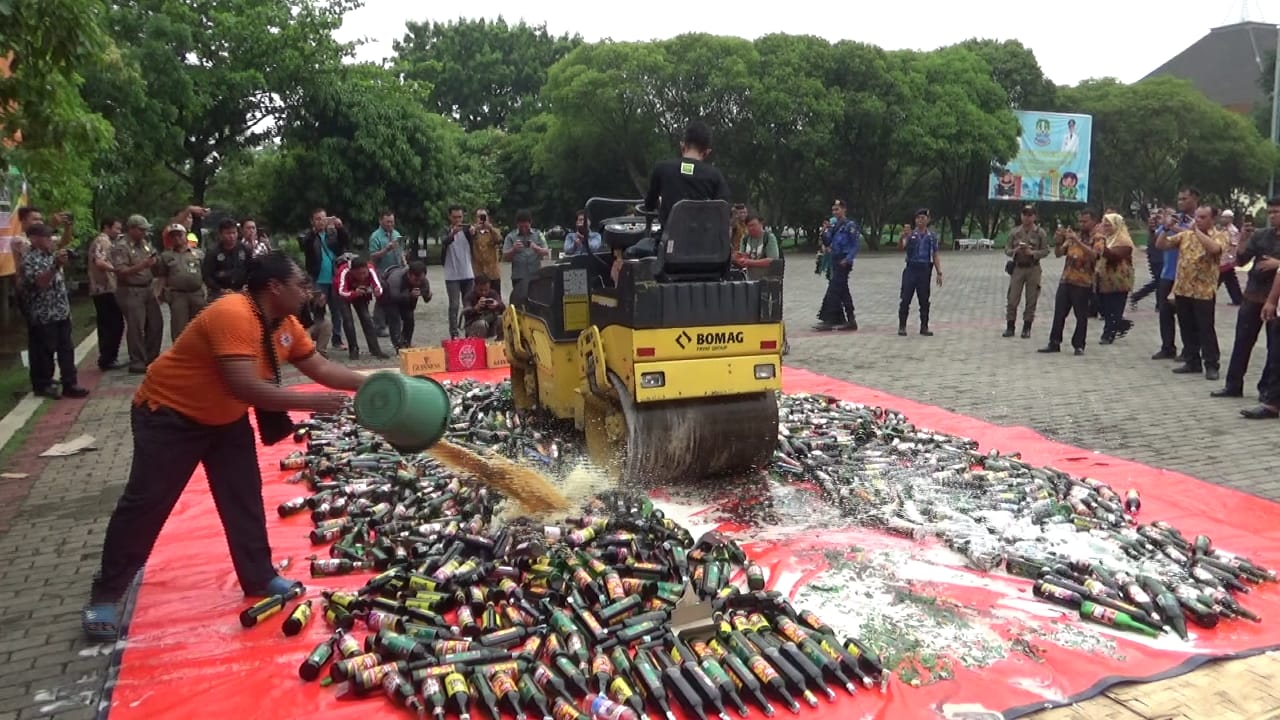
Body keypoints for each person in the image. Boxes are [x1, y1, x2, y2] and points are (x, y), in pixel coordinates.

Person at [81, 252, 366, 642]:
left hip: (225, 420)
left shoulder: (286, 325)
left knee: (243, 498)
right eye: (299, 283)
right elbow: (244, 386)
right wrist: (313, 403)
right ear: (274, 287)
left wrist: (373, 384)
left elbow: (322, 369)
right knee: (146, 504)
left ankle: (259, 576)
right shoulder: (234, 313)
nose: (306, 291)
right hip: (170, 415)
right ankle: (108, 592)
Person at [1215, 198, 1280, 402]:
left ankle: (1267, 390)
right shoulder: (1261, 235)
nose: (1272, 216)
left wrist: (1277, 263)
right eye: (1270, 212)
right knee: (1242, 341)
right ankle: (1233, 385)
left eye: (1276, 211)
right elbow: (1241, 260)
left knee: (1274, 348)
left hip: (1276, 298)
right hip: (1253, 295)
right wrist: (1242, 239)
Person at [1157, 205, 1226, 381]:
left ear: (1213, 219)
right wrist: (1166, 228)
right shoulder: (1185, 235)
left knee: (1205, 328)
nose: (1198, 220)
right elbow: (1162, 245)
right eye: (1197, 217)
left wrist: (1197, 231)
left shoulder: (1219, 236)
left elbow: (1214, 250)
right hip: (1183, 289)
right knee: (1186, 327)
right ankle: (1192, 360)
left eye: (1203, 217)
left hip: (1203, 291)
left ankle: (1211, 364)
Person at [21, 224, 90, 399]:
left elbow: (65, 242)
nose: (50, 241)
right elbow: (40, 283)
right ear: (34, 239)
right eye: (46, 237)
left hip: (61, 311)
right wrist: (54, 266)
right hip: (44, 313)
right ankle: (44, 384)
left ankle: (70, 383)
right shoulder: (30, 259)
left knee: (66, 349)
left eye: (51, 237)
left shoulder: (52, 254)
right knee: (46, 351)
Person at [640, 121, 731, 232]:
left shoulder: (662, 169)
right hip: (703, 245)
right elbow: (723, 211)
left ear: (682, 146)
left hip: (668, 244)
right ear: (707, 152)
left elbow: (649, 205)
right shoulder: (715, 175)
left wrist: (660, 202)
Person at [1039, 210, 1102, 355]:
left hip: (1083, 282)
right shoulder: (1074, 236)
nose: (1081, 224)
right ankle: (1054, 342)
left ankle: (1079, 345)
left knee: (1081, 316)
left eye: (1085, 221)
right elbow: (1059, 253)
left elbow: (1094, 256)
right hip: (1066, 279)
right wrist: (1058, 241)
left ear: (1093, 222)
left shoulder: (1097, 238)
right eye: (1080, 221)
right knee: (1059, 312)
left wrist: (1078, 242)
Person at [112, 215, 164, 374]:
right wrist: (142, 265)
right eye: (141, 230)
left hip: (147, 288)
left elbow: (155, 263)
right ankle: (137, 360)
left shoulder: (145, 245)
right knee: (136, 327)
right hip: (130, 289)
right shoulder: (121, 247)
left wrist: (156, 264)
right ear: (132, 228)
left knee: (156, 323)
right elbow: (120, 272)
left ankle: (151, 356)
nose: (144, 233)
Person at [301, 209, 349, 350]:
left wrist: (340, 227)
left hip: (334, 278)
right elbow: (305, 245)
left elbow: (344, 242)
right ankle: (319, 340)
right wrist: (314, 232)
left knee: (337, 311)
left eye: (323, 218)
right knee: (318, 310)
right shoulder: (308, 236)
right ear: (312, 221)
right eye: (317, 219)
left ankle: (337, 339)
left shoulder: (332, 235)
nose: (321, 221)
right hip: (317, 279)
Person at [1004, 205, 1050, 339]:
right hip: (1018, 267)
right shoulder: (1014, 232)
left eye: (1030, 215)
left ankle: (1027, 327)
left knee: (1031, 298)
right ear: (1021, 216)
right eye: (1024, 214)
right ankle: (1010, 326)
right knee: (1012, 298)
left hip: (1033, 268)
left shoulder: (1040, 232)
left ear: (1034, 217)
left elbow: (1046, 251)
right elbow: (1007, 249)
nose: (1027, 218)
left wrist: (1033, 253)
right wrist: (1015, 251)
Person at [813, 199, 859, 332]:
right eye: (833, 210)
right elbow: (828, 243)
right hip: (834, 259)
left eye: (837, 209)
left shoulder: (850, 225)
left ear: (844, 210)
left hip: (844, 260)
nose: (835, 212)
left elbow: (855, 245)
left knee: (834, 290)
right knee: (843, 291)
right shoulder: (834, 226)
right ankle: (851, 319)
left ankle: (829, 319)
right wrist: (824, 231)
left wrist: (848, 258)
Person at [897, 209, 943, 337]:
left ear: (928, 220)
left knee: (924, 299)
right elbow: (901, 248)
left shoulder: (931, 236)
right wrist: (902, 237)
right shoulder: (911, 235)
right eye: (918, 218)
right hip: (911, 268)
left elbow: (935, 254)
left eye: (922, 218)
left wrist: (939, 272)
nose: (920, 220)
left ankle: (924, 326)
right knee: (905, 298)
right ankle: (902, 326)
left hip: (924, 269)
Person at [157, 223, 208, 340]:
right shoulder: (166, 256)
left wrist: (207, 290)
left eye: (179, 235)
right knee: (179, 327)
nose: (177, 238)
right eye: (173, 236)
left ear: (185, 235)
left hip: (196, 294)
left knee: (199, 325)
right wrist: (160, 293)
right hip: (177, 295)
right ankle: (180, 354)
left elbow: (205, 273)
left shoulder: (198, 253)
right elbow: (162, 276)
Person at [333, 254, 388, 360]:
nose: (362, 276)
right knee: (348, 320)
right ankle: (353, 349)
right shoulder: (344, 271)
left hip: (361, 293)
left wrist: (377, 292)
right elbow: (341, 291)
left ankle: (375, 349)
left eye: (364, 273)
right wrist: (354, 293)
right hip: (343, 294)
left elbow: (378, 286)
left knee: (366, 318)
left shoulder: (371, 269)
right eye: (359, 274)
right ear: (352, 272)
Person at [89, 217, 125, 371]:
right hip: (104, 289)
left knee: (108, 324)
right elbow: (99, 261)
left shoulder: (106, 241)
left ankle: (108, 357)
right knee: (114, 324)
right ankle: (108, 358)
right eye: (116, 228)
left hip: (103, 288)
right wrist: (117, 269)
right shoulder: (102, 241)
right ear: (106, 227)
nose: (119, 232)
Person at [1095, 212, 1135, 344]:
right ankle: (1121, 324)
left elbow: (1114, 256)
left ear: (1116, 225)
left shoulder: (1124, 240)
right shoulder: (1108, 237)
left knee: (1115, 307)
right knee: (1103, 307)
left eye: (1109, 224)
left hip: (1119, 280)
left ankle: (1108, 335)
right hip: (1105, 279)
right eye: (1104, 224)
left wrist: (1101, 242)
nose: (1105, 226)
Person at [367, 209, 405, 337]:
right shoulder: (375, 236)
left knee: (395, 297)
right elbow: (372, 256)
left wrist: (404, 262)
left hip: (396, 271)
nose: (390, 224)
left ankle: (393, 323)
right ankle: (379, 326)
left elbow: (401, 251)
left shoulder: (396, 234)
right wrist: (386, 249)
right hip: (381, 271)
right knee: (382, 298)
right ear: (380, 221)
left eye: (392, 222)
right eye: (387, 222)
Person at [379, 261, 431, 350]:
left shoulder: (424, 280)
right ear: (409, 275)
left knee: (409, 319)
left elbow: (426, 298)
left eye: (420, 280)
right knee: (395, 320)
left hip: (406, 299)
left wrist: (427, 295)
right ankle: (398, 345)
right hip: (389, 298)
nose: (418, 283)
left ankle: (406, 343)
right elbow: (393, 297)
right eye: (415, 280)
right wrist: (410, 295)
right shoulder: (396, 278)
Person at [441, 205, 475, 339]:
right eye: (455, 217)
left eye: (460, 217)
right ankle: (454, 333)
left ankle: (469, 331)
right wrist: (453, 233)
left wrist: (474, 233)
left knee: (468, 305)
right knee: (454, 305)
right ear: (450, 217)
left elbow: (477, 239)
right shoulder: (446, 230)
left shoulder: (467, 230)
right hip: (452, 274)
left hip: (468, 273)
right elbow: (444, 241)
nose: (457, 220)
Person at [502, 209, 549, 306]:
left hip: (535, 275)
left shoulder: (538, 234)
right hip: (518, 276)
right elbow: (505, 257)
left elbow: (546, 252)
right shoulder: (510, 236)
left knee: (536, 301)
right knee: (519, 302)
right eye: (521, 226)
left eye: (526, 226)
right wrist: (514, 249)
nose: (523, 229)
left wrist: (536, 248)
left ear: (530, 223)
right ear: (517, 224)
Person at [203, 218, 250, 302]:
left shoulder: (244, 249)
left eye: (234, 233)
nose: (231, 236)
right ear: (221, 235)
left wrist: (247, 285)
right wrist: (220, 290)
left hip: (242, 291)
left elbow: (251, 268)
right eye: (228, 233)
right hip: (220, 293)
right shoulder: (213, 252)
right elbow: (207, 276)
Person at [469, 208, 503, 295]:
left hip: (493, 273)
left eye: (484, 217)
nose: (482, 219)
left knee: (496, 297)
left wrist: (491, 228)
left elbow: (499, 239)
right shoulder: (472, 231)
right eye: (479, 217)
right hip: (478, 272)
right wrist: (475, 229)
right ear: (475, 219)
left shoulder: (494, 231)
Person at [463, 275, 505, 339]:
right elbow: (466, 312)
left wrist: (497, 305)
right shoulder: (469, 296)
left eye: (486, 290)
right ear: (475, 287)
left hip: (491, 325)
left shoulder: (493, 294)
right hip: (473, 325)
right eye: (480, 290)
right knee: (481, 324)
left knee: (502, 319)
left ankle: (500, 344)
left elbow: (504, 309)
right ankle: (478, 345)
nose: (483, 292)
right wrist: (475, 308)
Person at [298, 289, 333, 357]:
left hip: (310, 326)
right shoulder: (292, 297)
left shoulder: (312, 296)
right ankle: (306, 353)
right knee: (306, 332)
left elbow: (319, 317)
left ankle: (321, 351)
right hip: (298, 327)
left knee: (326, 323)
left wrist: (321, 305)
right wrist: (302, 301)